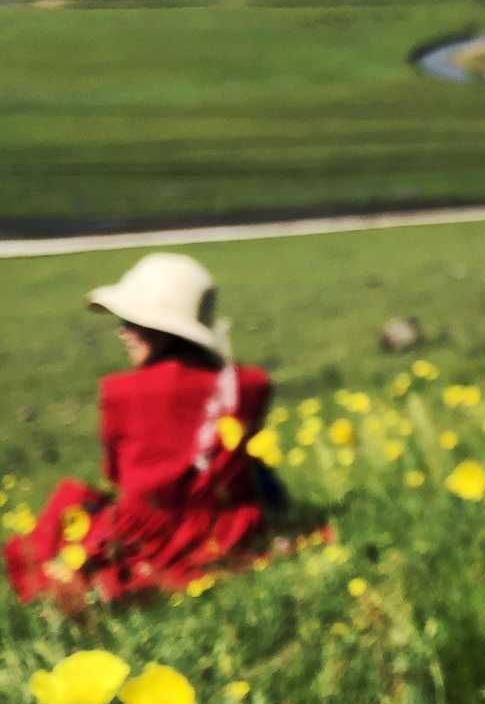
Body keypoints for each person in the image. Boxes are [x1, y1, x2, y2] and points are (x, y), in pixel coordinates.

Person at [4, 253, 280, 604]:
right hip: (229, 530)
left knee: (68, 507)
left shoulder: (120, 393)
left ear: (164, 329)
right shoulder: (251, 385)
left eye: (132, 322)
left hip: (150, 539)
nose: (123, 332)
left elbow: (117, 477)